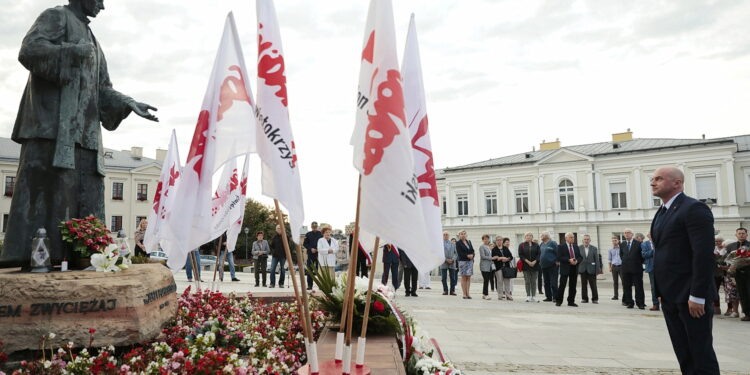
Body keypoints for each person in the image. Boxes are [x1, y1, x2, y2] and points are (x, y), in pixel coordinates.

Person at [0, 0, 159, 269]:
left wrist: (128, 102)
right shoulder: (56, 17)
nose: (103, 6)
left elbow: (103, 89)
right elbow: (29, 51)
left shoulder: (94, 41)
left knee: (87, 197)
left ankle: (84, 256)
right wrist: (71, 52)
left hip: (85, 136)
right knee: (49, 196)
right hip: (52, 131)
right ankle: (36, 259)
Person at [649, 166, 720, 374]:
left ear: (677, 183)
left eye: (659, 179)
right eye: (652, 179)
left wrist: (697, 295)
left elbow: (703, 255)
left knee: (701, 353)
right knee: (684, 352)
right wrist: (660, 292)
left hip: (691, 297)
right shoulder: (662, 212)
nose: (653, 183)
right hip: (670, 296)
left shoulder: (694, 209)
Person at [726, 227, 749, 321]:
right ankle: (747, 314)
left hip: (748, 273)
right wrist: (730, 269)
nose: (741, 235)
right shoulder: (730, 246)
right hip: (737, 274)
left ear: (746, 235)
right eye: (739, 233)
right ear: (736, 235)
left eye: (743, 233)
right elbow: (727, 259)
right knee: (742, 294)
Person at [620, 228, 645, 309]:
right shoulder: (622, 244)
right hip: (625, 269)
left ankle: (640, 303)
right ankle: (630, 302)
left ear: (632, 234)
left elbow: (642, 257)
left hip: (636, 269)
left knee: (639, 287)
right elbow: (621, 255)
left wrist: (637, 263)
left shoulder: (638, 244)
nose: (627, 234)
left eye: (628, 232)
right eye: (625, 233)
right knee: (626, 287)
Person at [556, 232, 582, 307]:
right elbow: (559, 257)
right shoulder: (561, 247)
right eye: (571, 237)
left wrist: (577, 261)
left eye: (573, 237)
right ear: (566, 238)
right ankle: (559, 301)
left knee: (573, 286)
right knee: (562, 285)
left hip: (574, 268)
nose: (572, 238)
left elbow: (580, 257)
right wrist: (568, 260)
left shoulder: (576, 247)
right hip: (565, 268)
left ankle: (571, 301)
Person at [719, 239, 740, 318]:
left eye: (726, 247)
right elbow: (723, 263)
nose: (725, 248)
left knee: (739, 294)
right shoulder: (727, 254)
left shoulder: (735, 254)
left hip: (736, 276)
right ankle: (735, 311)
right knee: (732, 294)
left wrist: (726, 267)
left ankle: (744, 311)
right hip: (728, 276)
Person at [518, 232, 541, 302]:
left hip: (535, 265)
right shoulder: (521, 245)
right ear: (525, 237)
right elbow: (521, 255)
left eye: (530, 235)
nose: (529, 237)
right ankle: (528, 296)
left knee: (533, 281)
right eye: (527, 235)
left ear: (532, 237)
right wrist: (527, 261)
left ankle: (533, 296)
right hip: (526, 265)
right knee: (527, 281)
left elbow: (539, 254)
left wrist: (535, 261)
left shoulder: (536, 245)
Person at [578, 234, 601, 304]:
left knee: (593, 285)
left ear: (590, 240)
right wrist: (577, 269)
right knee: (583, 285)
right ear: (582, 240)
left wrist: (598, 270)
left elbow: (597, 260)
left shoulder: (594, 248)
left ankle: (595, 299)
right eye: (585, 239)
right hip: (582, 269)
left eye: (587, 239)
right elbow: (577, 259)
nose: (586, 241)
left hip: (592, 269)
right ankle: (584, 298)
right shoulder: (579, 248)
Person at [640, 233, 659, 311]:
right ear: (648, 236)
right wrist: (654, 250)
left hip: (662, 268)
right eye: (650, 234)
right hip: (651, 268)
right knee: (654, 287)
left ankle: (666, 305)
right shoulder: (645, 244)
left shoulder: (660, 242)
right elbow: (644, 255)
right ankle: (656, 304)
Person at [539, 231, 559, 302]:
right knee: (546, 282)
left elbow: (558, 252)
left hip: (552, 266)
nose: (541, 236)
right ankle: (548, 297)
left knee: (553, 282)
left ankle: (555, 297)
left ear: (547, 236)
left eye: (542, 235)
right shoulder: (541, 244)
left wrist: (557, 261)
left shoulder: (553, 243)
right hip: (544, 266)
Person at [303, 221, 323, 290]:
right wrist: (310, 248)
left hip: (318, 254)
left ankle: (320, 285)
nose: (314, 228)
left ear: (317, 227)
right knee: (310, 271)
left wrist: (317, 249)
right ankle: (309, 285)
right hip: (310, 254)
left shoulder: (320, 234)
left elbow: (322, 243)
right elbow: (305, 244)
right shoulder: (308, 234)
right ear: (311, 227)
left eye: (315, 227)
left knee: (319, 271)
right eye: (313, 227)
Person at [456, 230, 475, 299]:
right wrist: (467, 256)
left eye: (464, 234)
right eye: (461, 234)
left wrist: (472, 255)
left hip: (470, 261)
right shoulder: (458, 243)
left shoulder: (469, 242)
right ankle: (464, 293)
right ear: (459, 235)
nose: (463, 235)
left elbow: (472, 250)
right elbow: (460, 253)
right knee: (464, 277)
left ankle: (468, 293)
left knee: (468, 277)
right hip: (463, 262)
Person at [711, 236, 726, 315]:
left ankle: (730, 309)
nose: (718, 243)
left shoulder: (726, 249)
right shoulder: (713, 249)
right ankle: (716, 307)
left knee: (728, 291)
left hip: (726, 273)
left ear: (723, 241)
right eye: (716, 241)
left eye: (719, 241)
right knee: (715, 290)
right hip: (715, 273)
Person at [478, 235, 494, 300]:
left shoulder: (489, 247)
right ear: (483, 240)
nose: (486, 240)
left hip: (489, 266)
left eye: (487, 239)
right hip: (484, 266)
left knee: (487, 280)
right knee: (486, 280)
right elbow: (483, 256)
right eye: (485, 239)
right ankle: (486, 294)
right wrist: (492, 258)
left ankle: (484, 294)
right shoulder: (481, 247)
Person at [608, 237, 623, 301]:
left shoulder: (622, 248)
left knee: (624, 282)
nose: (614, 242)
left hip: (621, 267)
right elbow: (609, 259)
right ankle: (615, 296)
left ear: (618, 241)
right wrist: (609, 267)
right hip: (614, 267)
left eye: (615, 240)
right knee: (615, 282)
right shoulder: (610, 249)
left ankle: (625, 296)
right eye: (613, 241)